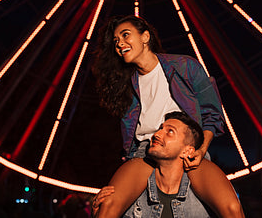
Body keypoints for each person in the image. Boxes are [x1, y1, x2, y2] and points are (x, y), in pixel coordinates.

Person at [92, 15, 244, 218]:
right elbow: (130, 135)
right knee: (106, 206)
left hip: (186, 148)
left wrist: (201, 149)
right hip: (145, 151)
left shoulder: (185, 66)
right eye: (116, 41)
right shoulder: (126, 87)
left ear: (145, 37)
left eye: (125, 35)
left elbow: (212, 113)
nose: (119, 43)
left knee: (232, 207)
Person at [95, 111, 235, 217]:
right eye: (160, 129)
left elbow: (233, 209)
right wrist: (96, 212)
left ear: (188, 150)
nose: (156, 134)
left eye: (170, 132)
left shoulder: (202, 189)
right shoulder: (134, 187)